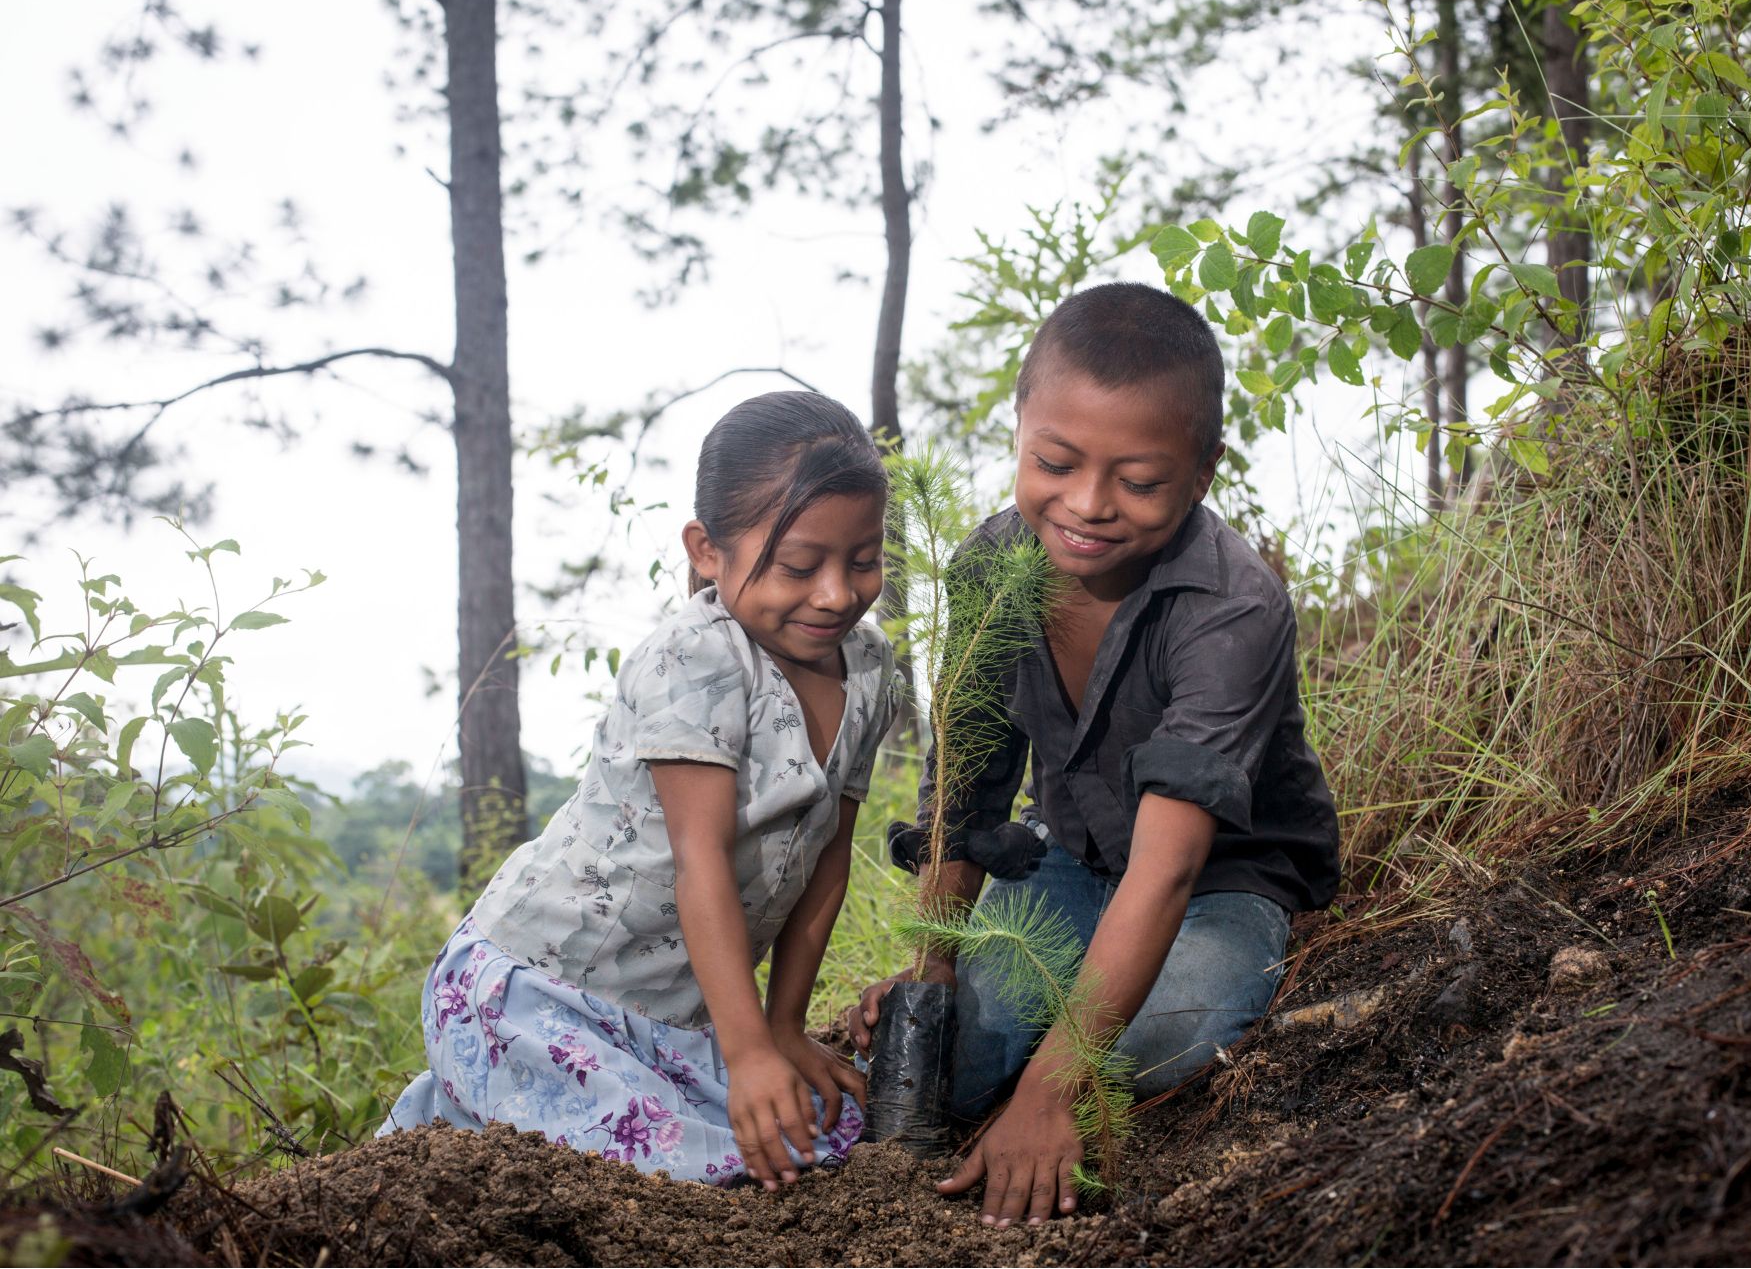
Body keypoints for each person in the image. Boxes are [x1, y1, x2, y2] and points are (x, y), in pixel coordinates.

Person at [848, 282, 1340, 1227]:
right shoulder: (992, 565)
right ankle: (1030, 1023)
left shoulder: (1231, 608)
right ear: (1019, 431)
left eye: (1139, 481)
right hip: (1070, 861)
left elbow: (1168, 866)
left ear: (1203, 472)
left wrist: (1051, 1088)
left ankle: (1126, 1018)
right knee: (949, 1055)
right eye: (1054, 462)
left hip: (1218, 878)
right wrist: (938, 964)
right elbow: (969, 784)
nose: (1086, 504)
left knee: (1159, 1036)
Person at [383, 391, 896, 1191]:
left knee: (826, 1133)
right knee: (705, 1169)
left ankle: (485, 1101)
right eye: (799, 566)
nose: (835, 593)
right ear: (707, 550)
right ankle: (469, 1088)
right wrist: (747, 1055)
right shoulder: (697, 657)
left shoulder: (868, 669)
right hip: (540, 989)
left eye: (862, 560)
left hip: (666, 1020)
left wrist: (784, 1028)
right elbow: (700, 861)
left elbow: (829, 858)